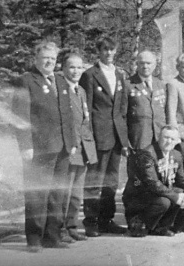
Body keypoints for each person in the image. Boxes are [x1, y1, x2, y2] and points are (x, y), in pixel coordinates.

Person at [11, 42, 71, 252]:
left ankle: (52, 236)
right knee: (37, 194)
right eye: (45, 58)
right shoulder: (26, 81)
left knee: (57, 194)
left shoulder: (61, 81)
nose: (49, 62)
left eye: (53, 59)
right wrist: (25, 146)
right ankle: (34, 239)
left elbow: (67, 115)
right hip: (39, 148)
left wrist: (71, 143)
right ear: (36, 59)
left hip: (62, 147)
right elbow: (20, 116)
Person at [79, 36, 131, 237]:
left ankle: (106, 220)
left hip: (116, 137)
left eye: (112, 49)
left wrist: (124, 138)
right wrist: (89, 138)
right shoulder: (90, 75)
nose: (109, 53)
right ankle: (90, 221)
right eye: (105, 49)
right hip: (99, 136)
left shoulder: (119, 74)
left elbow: (122, 108)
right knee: (94, 179)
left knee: (111, 181)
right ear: (98, 51)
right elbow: (87, 109)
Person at [122, 125, 184, 237]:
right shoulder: (146, 154)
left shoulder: (176, 154)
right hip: (139, 196)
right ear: (158, 137)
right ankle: (137, 223)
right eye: (166, 137)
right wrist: (176, 197)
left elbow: (182, 179)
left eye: (172, 139)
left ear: (177, 141)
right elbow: (153, 183)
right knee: (165, 201)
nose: (169, 142)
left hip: (159, 194)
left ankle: (161, 227)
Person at [59, 52, 98, 243]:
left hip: (83, 149)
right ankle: (60, 229)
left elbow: (85, 121)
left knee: (77, 192)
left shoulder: (80, 90)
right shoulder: (61, 89)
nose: (76, 71)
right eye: (72, 67)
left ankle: (72, 226)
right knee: (65, 191)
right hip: (69, 147)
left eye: (80, 67)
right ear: (64, 68)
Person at [127, 50, 166, 151]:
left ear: (155, 65)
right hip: (139, 137)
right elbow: (121, 114)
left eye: (148, 63)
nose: (145, 66)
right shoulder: (128, 84)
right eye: (142, 63)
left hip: (159, 135)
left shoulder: (160, 84)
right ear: (137, 64)